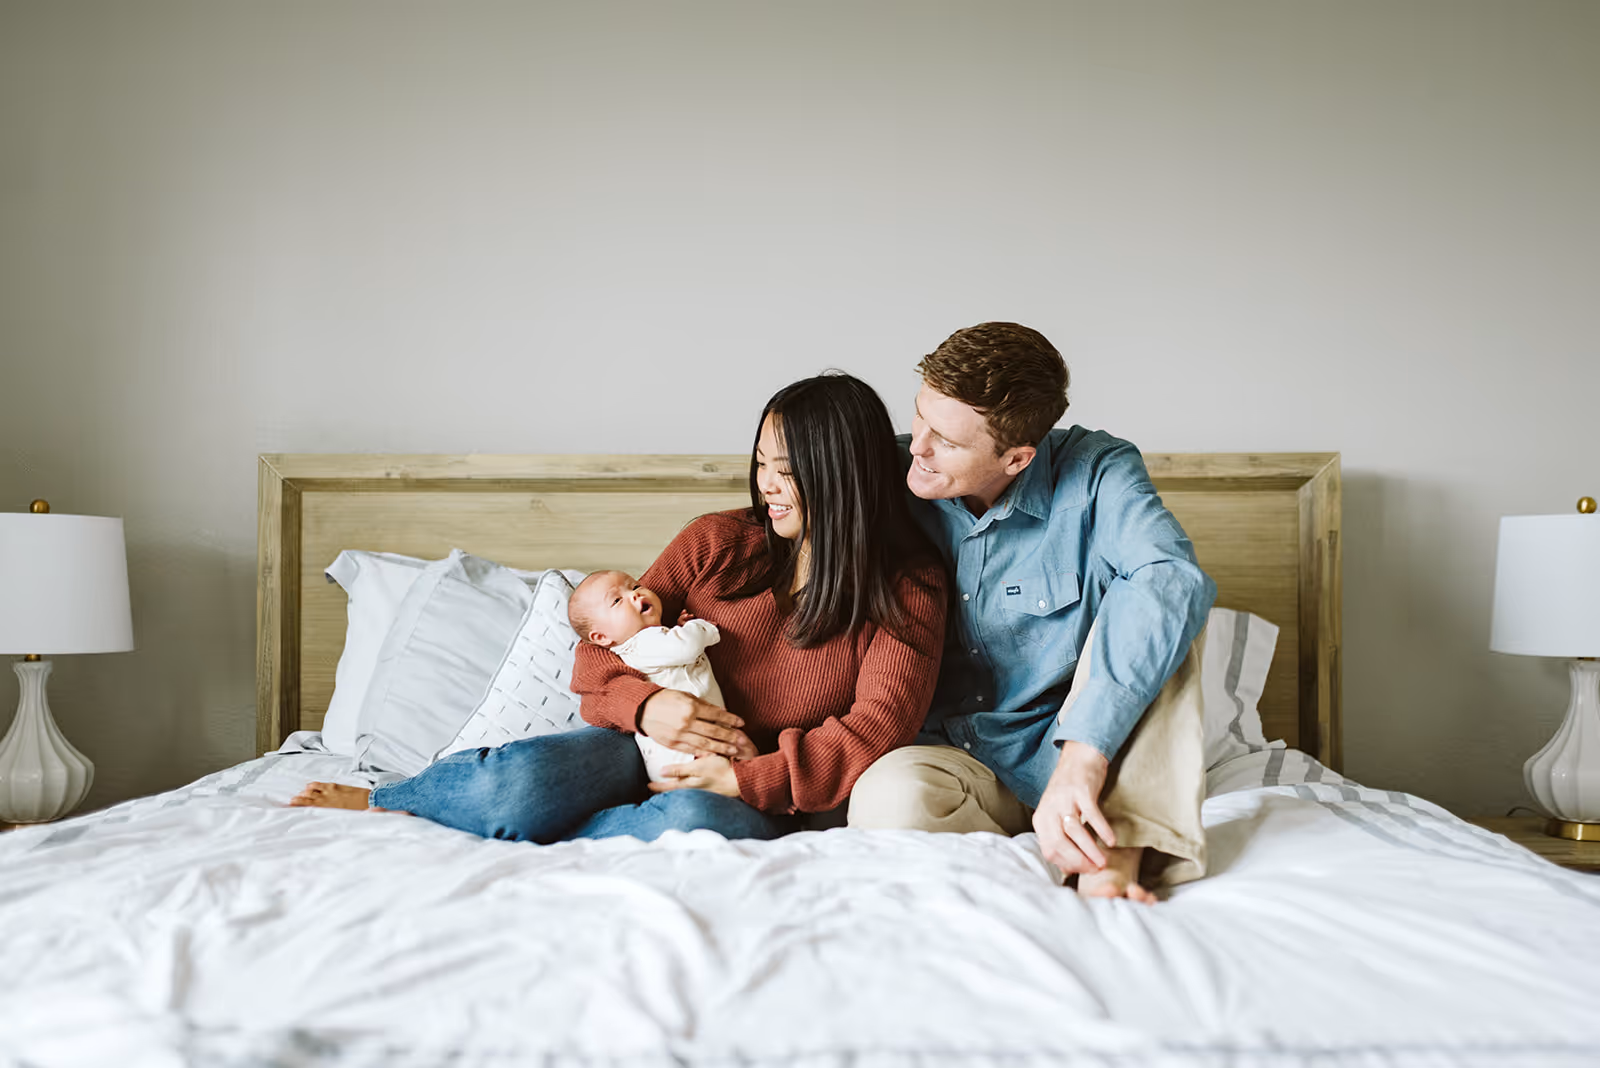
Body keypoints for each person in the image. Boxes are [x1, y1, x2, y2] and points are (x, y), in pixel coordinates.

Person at [291, 372, 948, 843]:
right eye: (759, 464)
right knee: (514, 787)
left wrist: (748, 781)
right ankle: (390, 798)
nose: (765, 485)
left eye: (785, 469)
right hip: (633, 747)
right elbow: (595, 652)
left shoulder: (906, 590)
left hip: (753, 787)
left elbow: (874, 730)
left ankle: (556, 835)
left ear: (839, 473)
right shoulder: (718, 542)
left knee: (693, 823)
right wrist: (646, 706)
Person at [847, 322, 1216, 904]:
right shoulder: (880, 474)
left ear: (1017, 457)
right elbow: (762, 536)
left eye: (946, 439)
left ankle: (1109, 858)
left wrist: (1084, 756)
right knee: (887, 801)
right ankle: (1039, 853)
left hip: (1078, 756)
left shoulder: (1097, 471)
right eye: (920, 415)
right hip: (952, 765)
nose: (917, 445)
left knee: (1163, 606)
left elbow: (1168, 576)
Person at [566, 569, 723, 782]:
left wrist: (678, 627)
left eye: (636, 586)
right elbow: (687, 647)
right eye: (616, 601)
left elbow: (671, 647)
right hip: (685, 753)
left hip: (682, 751)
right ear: (601, 637)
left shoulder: (651, 642)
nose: (635, 595)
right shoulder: (642, 642)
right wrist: (701, 628)